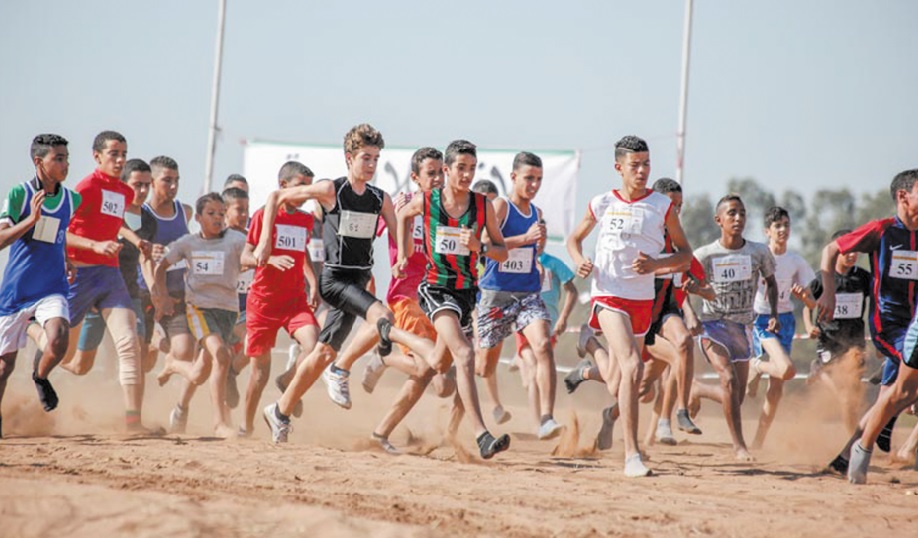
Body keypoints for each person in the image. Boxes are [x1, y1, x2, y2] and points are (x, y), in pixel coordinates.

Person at [254, 125, 432, 446]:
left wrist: (402, 255)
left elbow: (397, 230)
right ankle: (343, 368)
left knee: (321, 352)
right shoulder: (330, 190)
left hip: (359, 277)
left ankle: (279, 412)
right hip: (335, 280)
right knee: (383, 315)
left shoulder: (380, 198)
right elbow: (276, 196)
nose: (371, 165)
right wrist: (266, 240)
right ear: (349, 157)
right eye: (366, 158)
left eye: (376, 159)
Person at [566, 136, 692, 477]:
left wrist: (655, 266)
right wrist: (579, 261)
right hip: (608, 295)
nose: (642, 170)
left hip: (641, 302)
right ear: (618, 167)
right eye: (635, 165)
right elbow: (573, 239)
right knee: (634, 365)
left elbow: (685, 256)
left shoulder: (661, 206)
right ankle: (632, 456)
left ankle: (590, 346)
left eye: (646, 164)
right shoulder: (603, 202)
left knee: (623, 382)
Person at [322, 147, 456, 453]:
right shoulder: (403, 204)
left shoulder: (448, 211)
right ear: (415, 178)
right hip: (406, 296)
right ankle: (380, 357)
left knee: (439, 381)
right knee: (424, 367)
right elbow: (369, 230)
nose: (437, 179)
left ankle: (380, 433)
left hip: (436, 299)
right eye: (430, 173)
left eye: (440, 173)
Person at [394, 139, 513, 459]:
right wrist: (404, 253)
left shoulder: (481, 205)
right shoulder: (428, 200)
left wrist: (480, 247)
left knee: (436, 364)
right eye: (461, 168)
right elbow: (403, 215)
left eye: (472, 169)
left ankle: (386, 339)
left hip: (466, 293)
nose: (467, 175)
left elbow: (501, 253)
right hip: (436, 288)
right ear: (446, 170)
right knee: (464, 353)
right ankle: (482, 435)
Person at [34, 131, 149, 431]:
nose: (120, 159)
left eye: (124, 153)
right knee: (63, 351)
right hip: (79, 275)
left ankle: (133, 422)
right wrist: (95, 246)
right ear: (97, 156)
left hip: (110, 277)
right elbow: (60, 231)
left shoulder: (125, 192)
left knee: (129, 344)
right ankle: (33, 329)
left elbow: (115, 224)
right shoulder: (85, 187)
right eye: (114, 153)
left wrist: (135, 240)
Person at [816, 169, 918, 484]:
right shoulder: (882, 231)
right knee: (901, 391)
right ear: (904, 196)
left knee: (894, 394)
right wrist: (829, 292)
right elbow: (830, 250)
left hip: (915, 325)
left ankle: (848, 455)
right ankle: (870, 444)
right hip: (889, 326)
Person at [475, 151, 563, 440]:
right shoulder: (501, 206)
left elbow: (534, 250)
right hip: (496, 294)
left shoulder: (536, 214)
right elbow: (486, 244)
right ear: (514, 177)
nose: (534, 185)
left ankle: (547, 419)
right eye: (529, 178)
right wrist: (523, 240)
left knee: (543, 345)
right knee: (483, 367)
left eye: (538, 179)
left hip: (526, 293)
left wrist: (536, 258)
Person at [688, 194, 778, 461]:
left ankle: (699, 389)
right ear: (719, 220)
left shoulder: (759, 252)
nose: (738, 219)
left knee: (735, 395)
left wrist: (774, 314)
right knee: (727, 380)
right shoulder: (704, 255)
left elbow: (771, 283)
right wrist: (691, 311)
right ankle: (739, 446)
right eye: (732, 214)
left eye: (742, 213)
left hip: (742, 328)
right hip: (712, 326)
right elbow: (681, 289)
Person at [0, 134, 79, 436]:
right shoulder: (20, 194)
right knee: (4, 368)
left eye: (66, 158)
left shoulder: (72, 199)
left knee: (59, 337)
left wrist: (67, 258)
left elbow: (58, 234)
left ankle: (41, 375)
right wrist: (29, 220)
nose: (65, 164)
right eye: (58, 158)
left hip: (51, 288)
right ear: (39, 162)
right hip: (14, 293)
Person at [153, 193, 247, 437]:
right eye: (211, 214)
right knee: (222, 355)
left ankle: (173, 364)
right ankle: (219, 423)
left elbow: (249, 255)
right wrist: (161, 295)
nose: (218, 218)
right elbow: (161, 266)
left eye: (221, 214)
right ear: (198, 217)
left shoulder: (235, 239)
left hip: (227, 310)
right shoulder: (188, 243)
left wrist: (261, 258)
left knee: (198, 373)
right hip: (199, 309)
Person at [238, 162, 320, 437]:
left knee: (314, 346)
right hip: (263, 303)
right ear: (283, 187)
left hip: (294, 300)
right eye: (301, 186)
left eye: (310, 186)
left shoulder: (306, 219)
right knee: (259, 374)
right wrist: (269, 259)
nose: (307, 192)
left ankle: (287, 381)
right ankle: (246, 426)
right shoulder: (264, 215)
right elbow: (245, 258)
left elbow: (302, 253)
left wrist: (313, 282)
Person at [70, 159, 156, 378]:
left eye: (148, 185)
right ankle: (42, 370)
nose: (144, 190)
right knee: (81, 366)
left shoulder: (148, 221)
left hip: (127, 294)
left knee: (135, 348)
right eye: (138, 184)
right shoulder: (103, 210)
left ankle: (131, 410)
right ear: (124, 185)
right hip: (94, 291)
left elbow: (144, 260)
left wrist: (156, 292)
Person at [745, 207, 815, 448]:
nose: (783, 229)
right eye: (777, 226)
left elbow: (811, 301)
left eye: (786, 224)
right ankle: (755, 365)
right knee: (785, 369)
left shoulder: (796, 261)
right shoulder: (757, 256)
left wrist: (803, 296)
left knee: (776, 389)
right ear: (767, 231)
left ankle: (758, 443)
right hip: (761, 320)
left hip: (785, 321)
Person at [142, 156, 198, 432]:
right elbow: (140, 259)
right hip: (146, 295)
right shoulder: (140, 214)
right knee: (142, 361)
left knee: (185, 351)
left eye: (176, 180)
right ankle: (134, 416)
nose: (173, 186)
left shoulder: (184, 211)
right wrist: (156, 293)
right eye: (167, 180)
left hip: (177, 293)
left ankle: (167, 357)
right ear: (152, 182)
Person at [801, 228, 871, 434]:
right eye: (847, 250)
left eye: (855, 250)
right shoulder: (823, 278)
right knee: (844, 397)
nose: (851, 254)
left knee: (852, 398)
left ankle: (852, 442)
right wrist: (808, 326)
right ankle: (819, 369)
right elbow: (808, 305)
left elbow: (876, 303)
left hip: (855, 344)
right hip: (829, 341)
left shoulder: (864, 278)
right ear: (836, 251)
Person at [514, 250, 577, 433]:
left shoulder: (554, 263)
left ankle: (519, 360)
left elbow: (572, 290)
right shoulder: (520, 259)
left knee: (537, 370)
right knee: (533, 369)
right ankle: (539, 423)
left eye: (543, 231)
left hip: (548, 324)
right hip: (524, 320)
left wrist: (563, 318)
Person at [222, 187, 250, 410]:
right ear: (225, 211)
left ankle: (233, 371)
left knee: (255, 344)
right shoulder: (214, 237)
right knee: (204, 369)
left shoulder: (253, 236)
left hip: (244, 309)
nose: (243, 215)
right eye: (239, 210)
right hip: (216, 309)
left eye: (246, 210)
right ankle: (182, 407)